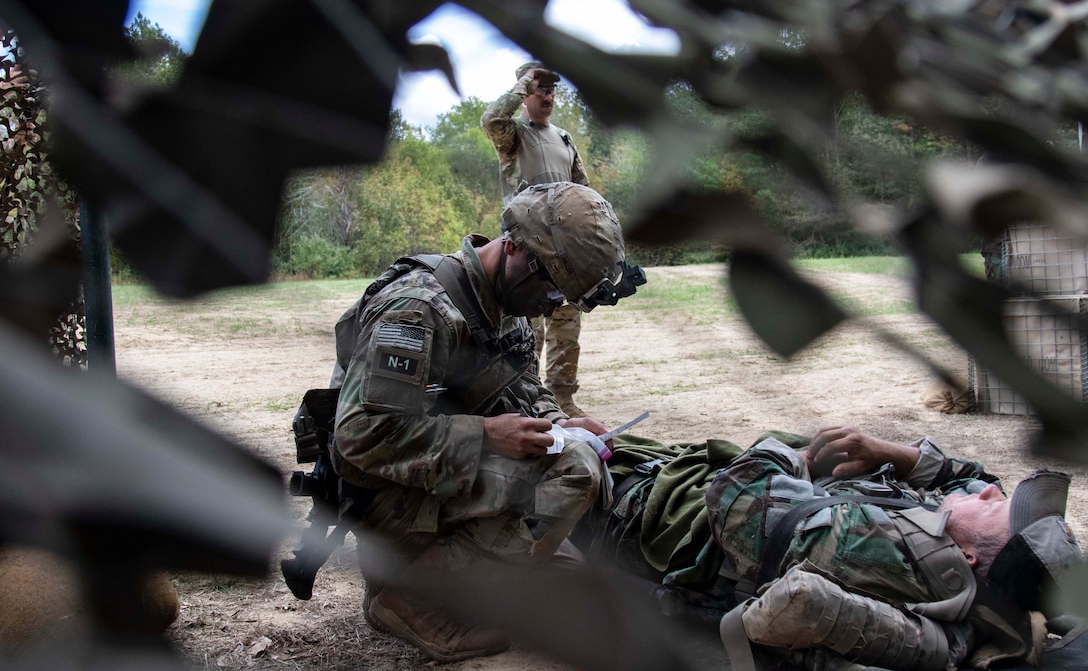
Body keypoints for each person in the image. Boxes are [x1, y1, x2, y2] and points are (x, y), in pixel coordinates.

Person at [328, 181, 642, 662]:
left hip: (442, 482)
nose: (555, 303)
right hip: (387, 498)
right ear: (514, 247)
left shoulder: (508, 304)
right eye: (553, 285)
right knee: (575, 471)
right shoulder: (419, 308)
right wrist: (486, 436)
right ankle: (409, 595)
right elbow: (359, 436)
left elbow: (523, 387)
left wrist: (563, 422)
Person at [576, 426, 1085, 671]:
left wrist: (790, 452)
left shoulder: (868, 548)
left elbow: (737, 490)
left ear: (969, 558)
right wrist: (886, 452)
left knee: (565, 448)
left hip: (654, 517)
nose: (993, 491)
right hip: (707, 499)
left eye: (999, 508)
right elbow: (977, 477)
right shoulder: (957, 552)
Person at [480, 61, 592, 417]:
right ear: (526, 92)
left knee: (566, 326)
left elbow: (583, 191)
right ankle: (525, 399)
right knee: (527, 329)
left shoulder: (563, 138)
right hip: (524, 248)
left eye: (551, 89)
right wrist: (524, 84)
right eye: (541, 89)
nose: (548, 95)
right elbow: (491, 119)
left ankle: (563, 399)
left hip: (565, 248)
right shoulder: (512, 135)